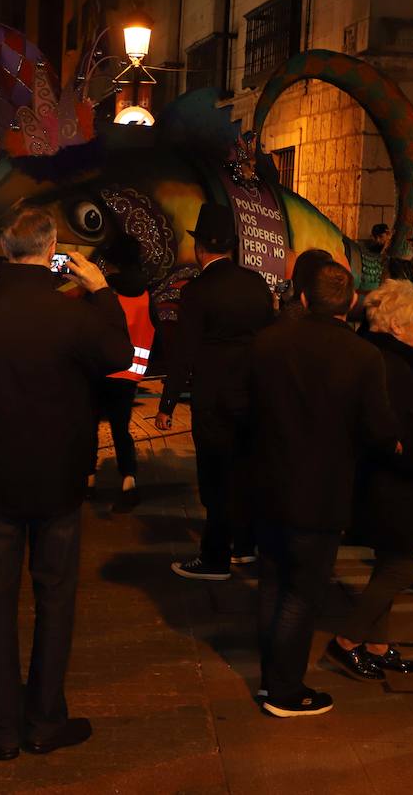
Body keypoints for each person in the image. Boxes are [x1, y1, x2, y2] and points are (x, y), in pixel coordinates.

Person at [0, 207, 131, 760]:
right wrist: (100, 291)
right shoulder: (72, 314)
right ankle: (44, 718)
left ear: (5, 248)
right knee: (55, 597)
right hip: (56, 476)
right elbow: (122, 357)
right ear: (51, 246)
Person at [248, 260, 398, 716]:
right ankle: (285, 690)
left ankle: (271, 677)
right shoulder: (362, 356)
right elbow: (377, 430)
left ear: (305, 298)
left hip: (270, 481)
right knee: (302, 591)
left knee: (273, 582)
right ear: (351, 303)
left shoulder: (268, 342)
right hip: (322, 490)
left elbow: (243, 406)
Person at [325, 279, 413, 684]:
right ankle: (345, 640)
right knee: (400, 568)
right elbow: (387, 428)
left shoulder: (393, 357)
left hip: (396, 479)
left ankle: (376, 643)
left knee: (391, 562)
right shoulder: (388, 364)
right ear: (395, 324)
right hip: (392, 481)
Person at [156, 204, 274, 580]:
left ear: (201, 247)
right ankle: (245, 545)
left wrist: (167, 403)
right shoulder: (256, 284)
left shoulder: (197, 291)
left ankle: (215, 557)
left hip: (214, 399)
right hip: (252, 394)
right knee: (245, 470)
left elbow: (183, 353)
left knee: (216, 477)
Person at [90, 238, 154, 513]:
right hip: (130, 373)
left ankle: (88, 478)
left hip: (101, 369)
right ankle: (128, 481)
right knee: (121, 429)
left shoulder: (107, 290)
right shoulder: (147, 293)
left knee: (89, 425)